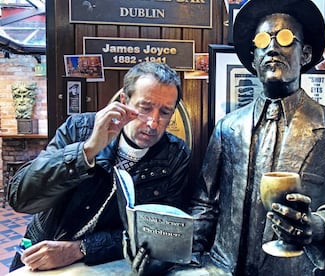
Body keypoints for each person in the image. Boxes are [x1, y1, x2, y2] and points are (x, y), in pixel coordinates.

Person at [168, 0, 325, 275]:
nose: (273, 47)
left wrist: (317, 226)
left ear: (304, 54)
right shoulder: (226, 128)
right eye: (263, 40)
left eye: (286, 38)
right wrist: (186, 259)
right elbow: (205, 204)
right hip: (222, 269)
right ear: (254, 58)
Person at [7, 62, 191, 272]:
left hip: (107, 264)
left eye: (165, 112)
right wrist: (87, 150)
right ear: (124, 101)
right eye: (145, 108)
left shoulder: (175, 155)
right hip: (43, 251)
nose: (153, 122)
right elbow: (19, 197)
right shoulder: (78, 129)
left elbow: (161, 234)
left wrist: (82, 249)